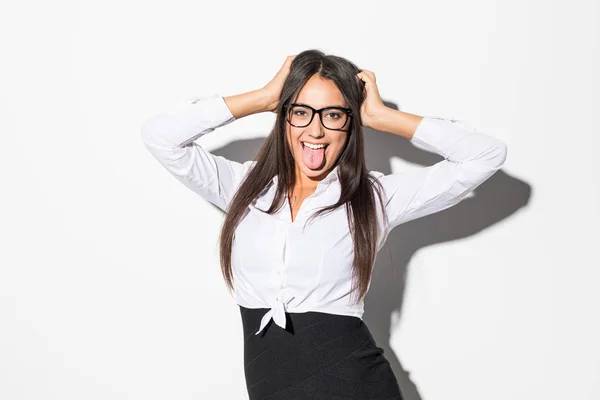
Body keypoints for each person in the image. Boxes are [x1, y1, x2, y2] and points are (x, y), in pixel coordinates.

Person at [141, 49, 507, 399]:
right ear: (284, 116)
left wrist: (382, 118)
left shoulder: (375, 197)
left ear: (351, 123)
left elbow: (485, 155)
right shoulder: (243, 188)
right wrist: (263, 98)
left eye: (332, 115)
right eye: (301, 112)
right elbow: (161, 136)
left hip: (358, 385)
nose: (315, 131)